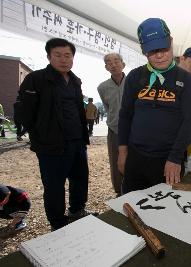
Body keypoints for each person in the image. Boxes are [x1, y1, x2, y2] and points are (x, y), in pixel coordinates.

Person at [16, 38, 94, 230]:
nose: (63, 59)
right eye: (57, 55)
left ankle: (77, 210)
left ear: (73, 58)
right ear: (49, 57)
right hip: (51, 146)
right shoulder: (36, 79)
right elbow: (23, 112)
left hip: (77, 142)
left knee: (80, 179)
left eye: (68, 55)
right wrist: (40, 135)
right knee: (54, 187)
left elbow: (77, 110)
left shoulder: (75, 81)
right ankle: (58, 223)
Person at [118, 18, 191, 193]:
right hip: (135, 157)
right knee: (130, 206)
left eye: (163, 48)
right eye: (152, 51)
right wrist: (123, 152)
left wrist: (175, 158)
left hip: (167, 160)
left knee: (166, 211)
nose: (159, 55)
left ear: (170, 42)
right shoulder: (134, 76)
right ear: (144, 51)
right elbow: (125, 115)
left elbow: (189, 122)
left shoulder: (186, 80)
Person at [98, 53, 126, 196]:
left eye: (116, 61)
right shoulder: (102, 87)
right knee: (116, 162)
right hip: (114, 130)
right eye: (109, 62)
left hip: (133, 130)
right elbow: (108, 108)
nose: (113, 64)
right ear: (106, 67)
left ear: (123, 64)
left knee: (134, 159)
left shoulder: (133, 82)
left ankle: (134, 188)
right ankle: (119, 191)